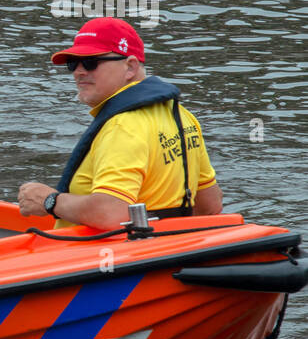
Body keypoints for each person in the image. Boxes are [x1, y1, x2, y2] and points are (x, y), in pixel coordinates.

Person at [17, 16, 221, 230]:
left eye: (90, 62)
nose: (79, 72)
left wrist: (49, 201)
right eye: (72, 64)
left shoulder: (123, 126)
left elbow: (111, 212)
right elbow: (209, 204)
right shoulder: (181, 115)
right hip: (159, 250)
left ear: (130, 67)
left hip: (99, 257)